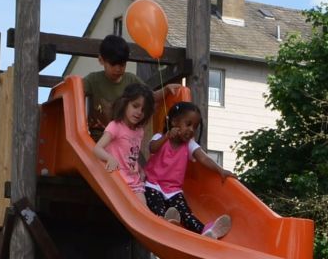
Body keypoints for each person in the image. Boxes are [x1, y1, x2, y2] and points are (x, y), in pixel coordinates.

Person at [141, 102, 232, 239]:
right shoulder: (160, 137)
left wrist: (220, 169)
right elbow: (152, 148)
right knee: (156, 206)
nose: (191, 130)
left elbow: (203, 158)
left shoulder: (189, 144)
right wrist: (167, 137)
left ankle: (207, 231)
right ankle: (165, 222)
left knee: (187, 214)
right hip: (153, 185)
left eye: (194, 127)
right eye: (188, 124)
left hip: (173, 190)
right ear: (174, 122)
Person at [94, 81, 156, 190]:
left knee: (142, 205)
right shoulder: (115, 126)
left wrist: (140, 169)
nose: (139, 112)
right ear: (125, 103)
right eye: (135, 106)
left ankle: (169, 208)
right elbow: (97, 149)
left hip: (134, 180)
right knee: (133, 205)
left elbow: (131, 156)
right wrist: (109, 158)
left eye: (143, 110)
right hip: (117, 179)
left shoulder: (139, 131)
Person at [82, 33, 137, 139]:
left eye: (122, 65)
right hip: (97, 137)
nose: (118, 69)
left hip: (122, 137)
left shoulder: (131, 80)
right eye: (113, 64)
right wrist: (71, 83)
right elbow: (75, 93)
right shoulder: (93, 80)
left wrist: (165, 90)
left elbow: (150, 96)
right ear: (101, 60)